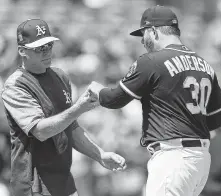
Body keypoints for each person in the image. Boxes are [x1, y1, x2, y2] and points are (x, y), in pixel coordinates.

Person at [88, 5, 221, 196]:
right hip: (200, 160)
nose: (142, 40)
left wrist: (98, 90)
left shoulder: (152, 61)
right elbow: (215, 120)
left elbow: (114, 100)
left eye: (143, 33)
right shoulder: (205, 65)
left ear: (153, 31)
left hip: (174, 157)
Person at [1, 19, 126, 196]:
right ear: (22, 51)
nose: (46, 52)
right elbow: (40, 131)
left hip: (64, 180)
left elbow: (71, 126)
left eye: (49, 45)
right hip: (33, 184)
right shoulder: (16, 85)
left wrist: (100, 154)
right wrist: (79, 108)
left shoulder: (60, 76)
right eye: (39, 48)